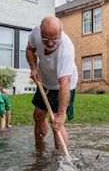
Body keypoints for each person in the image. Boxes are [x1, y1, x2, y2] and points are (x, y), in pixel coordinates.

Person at [26, 16, 78, 149]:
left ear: (60, 33)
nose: (50, 43)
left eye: (54, 39)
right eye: (46, 38)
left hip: (64, 84)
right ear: (41, 32)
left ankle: (60, 161)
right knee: (38, 116)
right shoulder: (36, 32)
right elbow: (30, 50)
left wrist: (61, 114)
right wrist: (33, 68)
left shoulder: (66, 50)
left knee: (56, 122)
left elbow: (64, 83)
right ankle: (39, 152)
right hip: (45, 80)